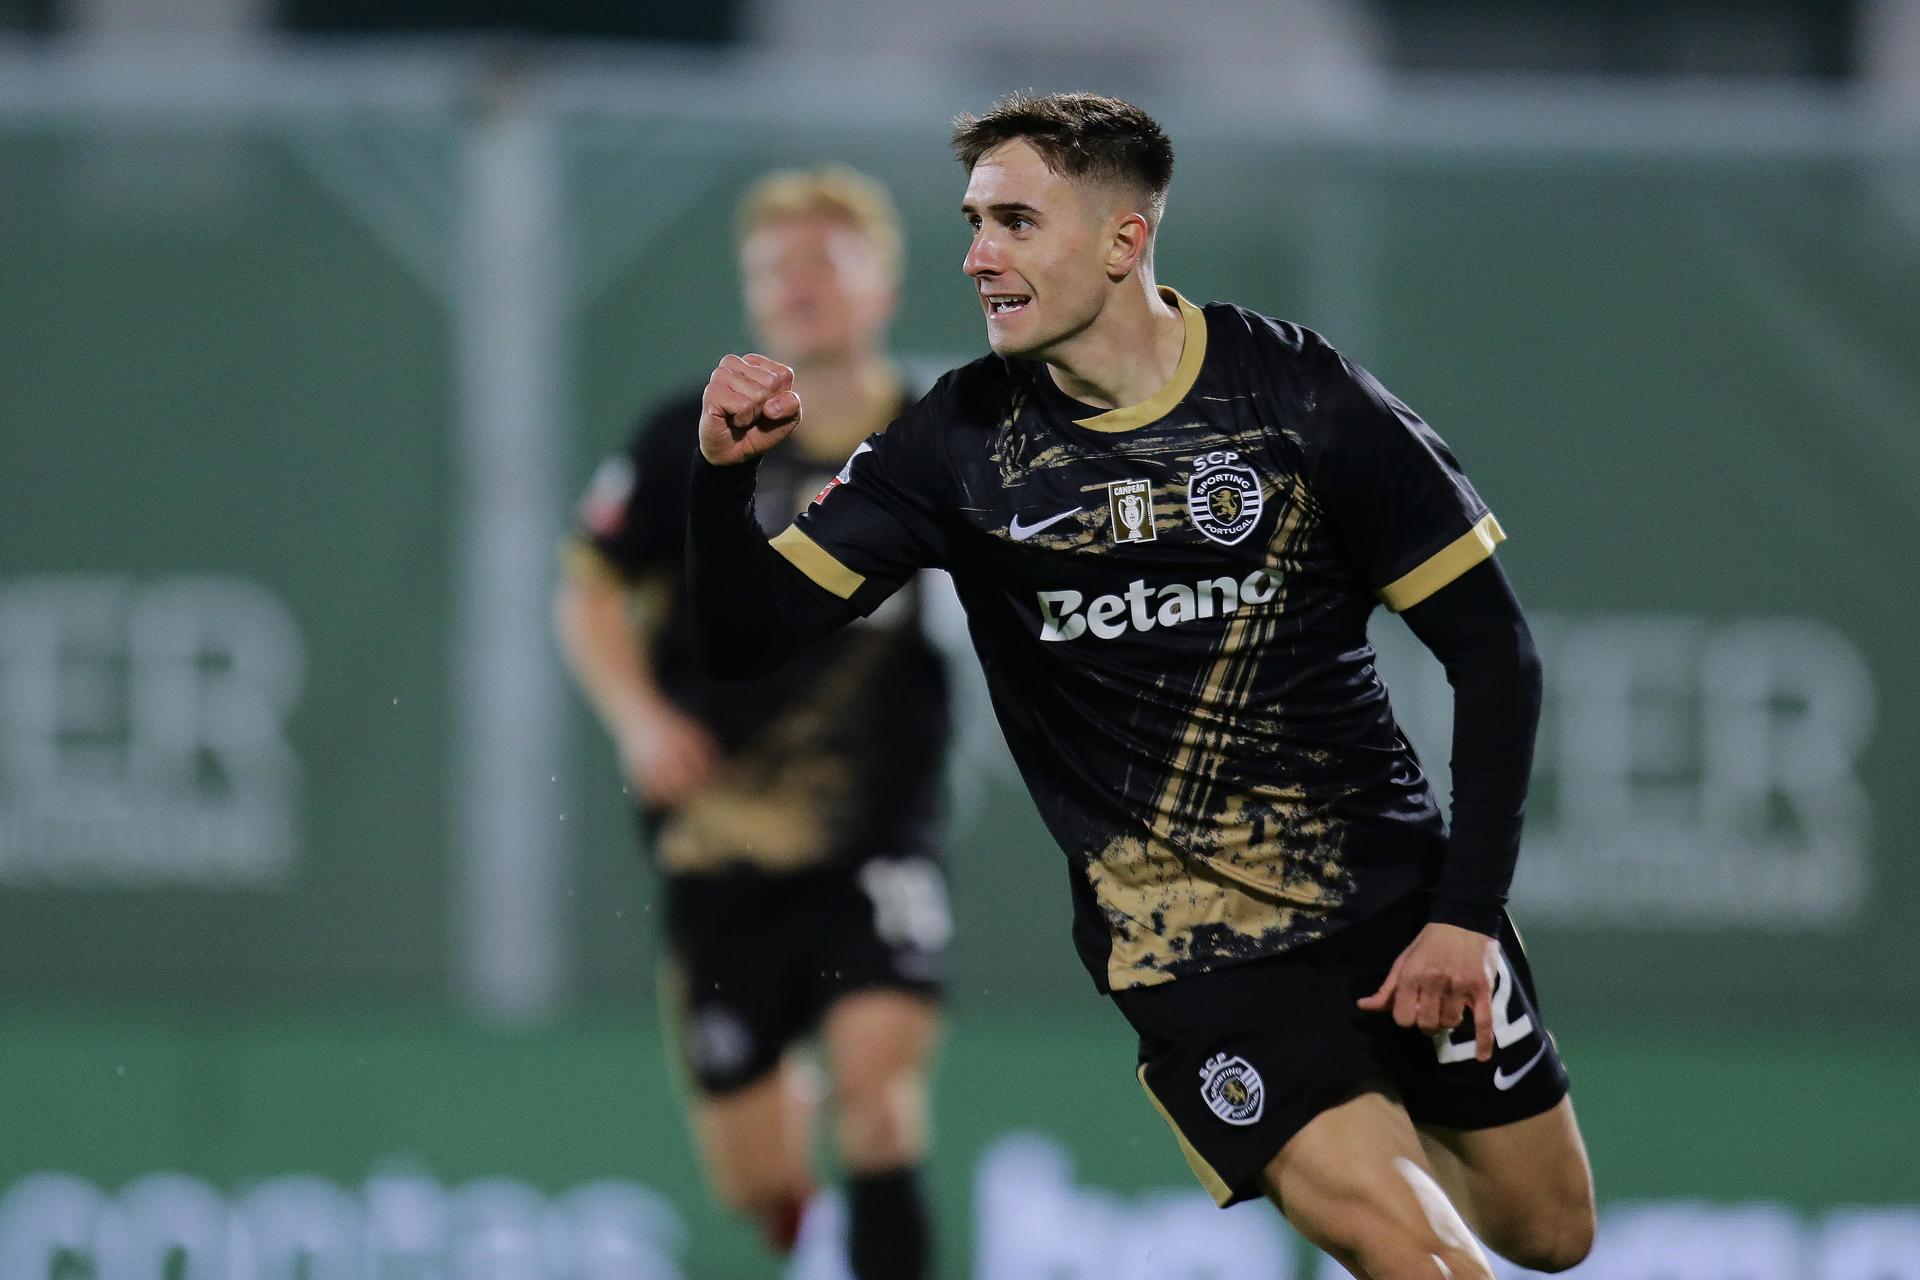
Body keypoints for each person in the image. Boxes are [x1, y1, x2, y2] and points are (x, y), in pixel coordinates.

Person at [684, 94, 1599, 1279]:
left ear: (1123, 241)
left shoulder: (1300, 396)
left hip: (1399, 911)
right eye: (973, 222)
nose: (978, 257)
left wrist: (1464, 915)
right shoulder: (957, 442)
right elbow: (747, 636)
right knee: (1422, 1257)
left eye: (1015, 222)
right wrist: (722, 482)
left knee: (1552, 1233)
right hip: (1198, 963)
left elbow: (1494, 653)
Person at [556, 166, 951, 1280]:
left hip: (879, 825)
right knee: (755, 1182)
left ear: (885, 286)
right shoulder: (685, 435)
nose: (800, 286)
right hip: (718, 837)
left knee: (881, 1103)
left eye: (827, 261)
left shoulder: (936, 437)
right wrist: (637, 720)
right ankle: (789, 1165)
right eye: (776, 267)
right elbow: (584, 589)